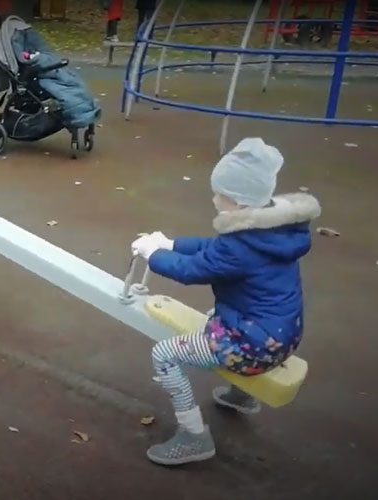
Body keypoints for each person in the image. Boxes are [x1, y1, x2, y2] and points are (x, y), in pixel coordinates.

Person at [131, 137, 321, 466]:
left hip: (255, 346)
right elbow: (211, 248)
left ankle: (193, 437)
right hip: (283, 334)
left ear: (241, 201)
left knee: (165, 354)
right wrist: (172, 243)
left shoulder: (239, 246)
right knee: (217, 318)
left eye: (222, 194)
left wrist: (153, 254)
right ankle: (241, 394)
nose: (215, 198)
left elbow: (193, 270)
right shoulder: (270, 231)